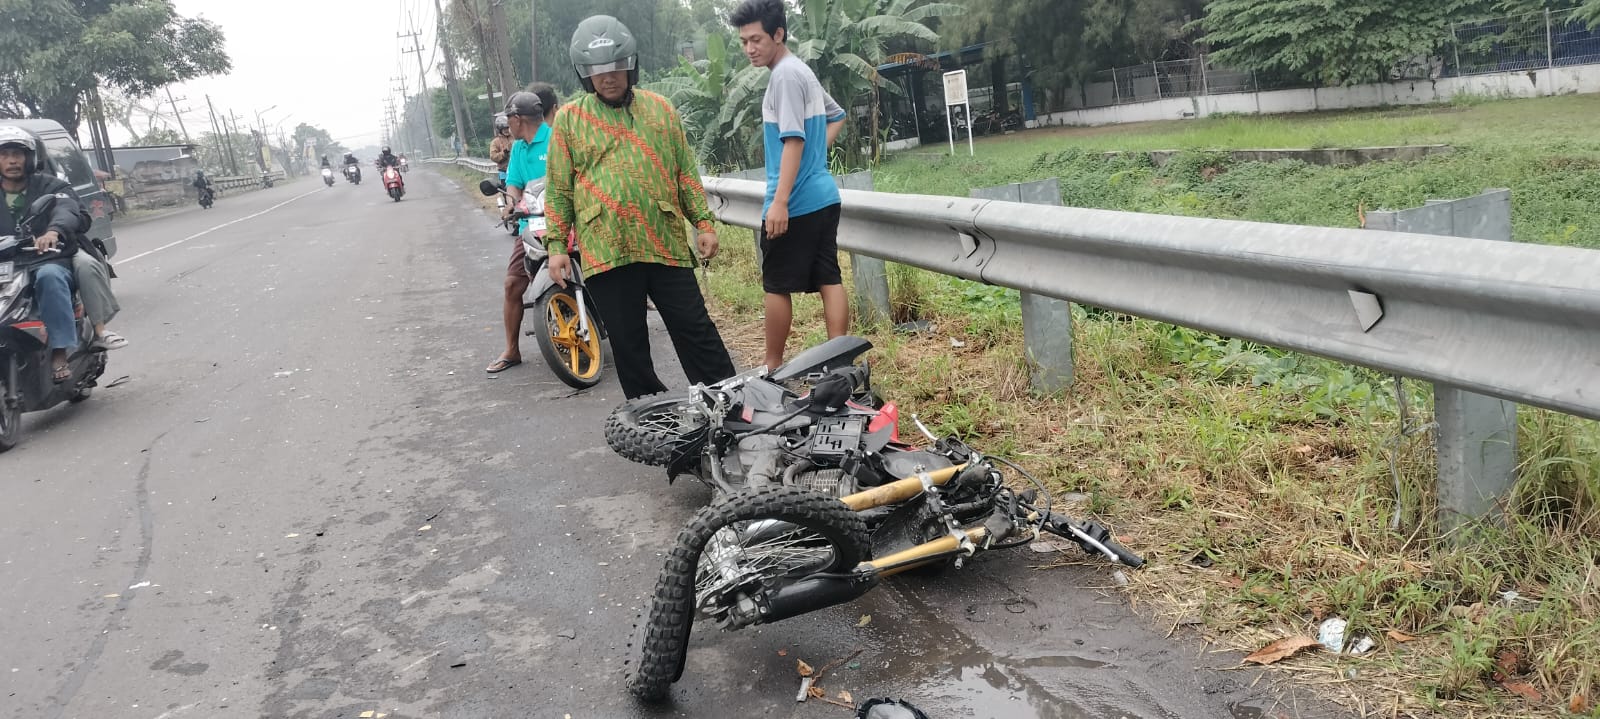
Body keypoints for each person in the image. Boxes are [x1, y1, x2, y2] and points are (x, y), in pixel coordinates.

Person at [544, 15, 736, 399]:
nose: (608, 77)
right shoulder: (569, 120)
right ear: (585, 74)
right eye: (598, 70)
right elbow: (559, 189)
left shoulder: (661, 109)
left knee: (695, 328)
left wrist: (704, 223)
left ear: (630, 64)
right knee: (630, 345)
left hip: (664, 241)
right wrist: (556, 246)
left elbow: (684, 171)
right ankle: (654, 420)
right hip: (607, 248)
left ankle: (729, 403)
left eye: (616, 67)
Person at [731, 0, 849, 370]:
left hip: (795, 202)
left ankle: (772, 366)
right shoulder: (802, 71)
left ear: (778, 34)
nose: (750, 49)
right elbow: (837, 117)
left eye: (756, 39)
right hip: (824, 195)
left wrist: (780, 202)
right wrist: (815, 161)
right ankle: (839, 362)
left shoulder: (783, 76)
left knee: (776, 284)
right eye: (744, 41)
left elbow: (794, 139)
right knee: (829, 276)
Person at [0, 126, 87, 382]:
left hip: (44, 258)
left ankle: (59, 350)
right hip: (7, 263)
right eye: (4, 155)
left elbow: (67, 209)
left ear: (31, 158)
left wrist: (53, 232)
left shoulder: (51, 185)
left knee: (50, 277)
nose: (12, 161)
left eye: (18, 154)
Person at [485, 89, 558, 374]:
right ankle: (512, 350)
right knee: (512, 285)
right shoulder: (517, 149)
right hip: (533, 223)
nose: (508, 125)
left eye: (509, 119)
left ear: (517, 119)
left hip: (567, 220)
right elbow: (514, 182)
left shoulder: (555, 139)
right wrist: (511, 203)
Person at [488, 113, 513, 182]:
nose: (506, 130)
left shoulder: (517, 138)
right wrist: (505, 152)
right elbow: (493, 156)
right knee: (506, 192)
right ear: (499, 129)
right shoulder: (495, 142)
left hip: (518, 171)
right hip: (504, 172)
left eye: (507, 128)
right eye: (503, 128)